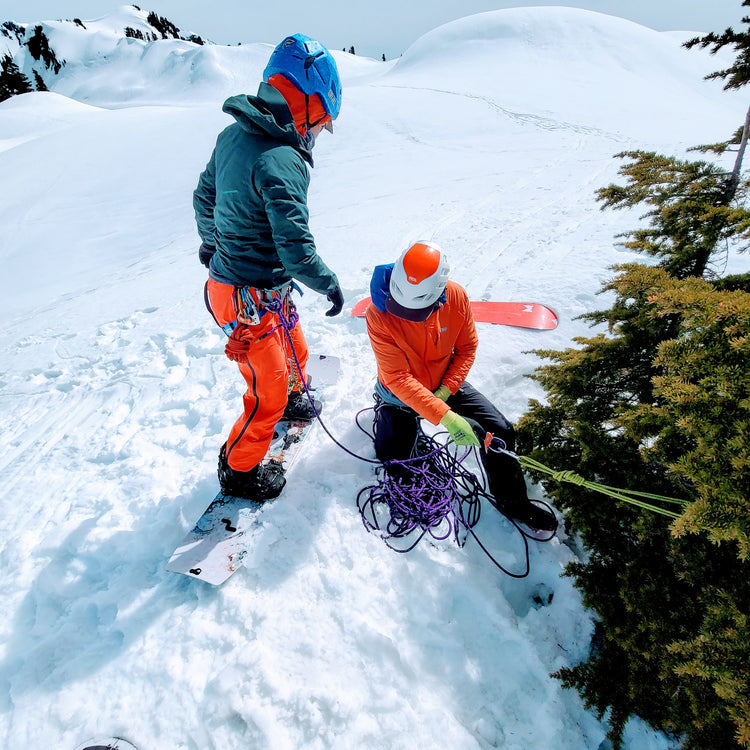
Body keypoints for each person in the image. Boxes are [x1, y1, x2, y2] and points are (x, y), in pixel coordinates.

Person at [193, 33, 345, 501]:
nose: (317, 134)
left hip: (258, 289)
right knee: (268, 392)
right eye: (320, 122)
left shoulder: (234, 134)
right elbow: (295, 249)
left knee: (293, 341)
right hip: (244, 300)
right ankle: (238, 469)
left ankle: (296, 393)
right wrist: (330, 284)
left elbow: (204, 196)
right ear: (305, 106)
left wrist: (211, 245)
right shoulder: (284, 161)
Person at [364, 240, 557, 531]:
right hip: (399, 395)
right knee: (393, 459)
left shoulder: (456, 297)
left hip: (445, 383)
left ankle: (513, 502)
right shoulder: (378, 315)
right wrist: (445, 415)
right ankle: (390, 420)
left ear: (439, 293)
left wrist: (446, 391)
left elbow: (467, 349)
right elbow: (397, 378)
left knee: (500, 431)